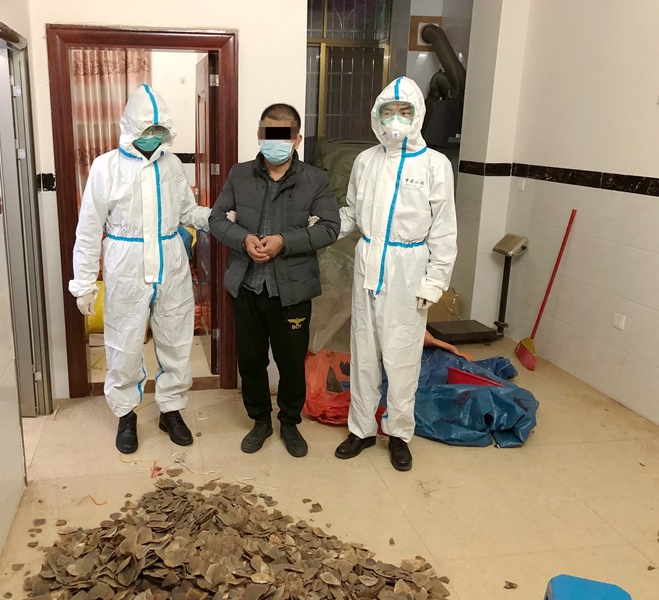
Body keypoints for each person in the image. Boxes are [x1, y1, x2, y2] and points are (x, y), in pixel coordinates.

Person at [69, 85, 210, 454]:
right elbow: (88, 229)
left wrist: (218, 217)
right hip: (125, 265)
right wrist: (83, 282)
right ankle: (126, 414)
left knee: (176, 340)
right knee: (125, 345)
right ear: (131, 126)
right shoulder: (105, 167)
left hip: (170, 262)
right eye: (147, 129)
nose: (153, 137)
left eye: (159, 130)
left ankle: (171, 410)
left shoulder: (172, 164)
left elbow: (186, 212)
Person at [335, 77, 457, 471]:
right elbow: (352, 213)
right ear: (377, 115)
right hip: (369, 262)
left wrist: (434, 281)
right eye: (389, 111)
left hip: (409, 268)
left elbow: (444, 230)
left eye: (405, 112)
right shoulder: (365, 161)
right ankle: (361, 429)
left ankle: (400, 434)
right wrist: (316, 229)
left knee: (402, 358)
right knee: (363, 353)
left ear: (418, 115)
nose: (396, 119)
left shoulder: (435, 165)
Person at [209, 104, 340, 457]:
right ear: (259, 135)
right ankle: (260, 421)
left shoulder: (315, 179)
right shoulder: (240, 174)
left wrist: (284, 241)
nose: (276, 142)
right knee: (251, 360)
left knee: (291, 361)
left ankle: (290, 422)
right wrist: (243, 239)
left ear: (297, 139)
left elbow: (330, 227)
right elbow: (216, 218)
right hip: (247, 285)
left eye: (285, 136)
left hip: (292, 288)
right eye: (270, 134)